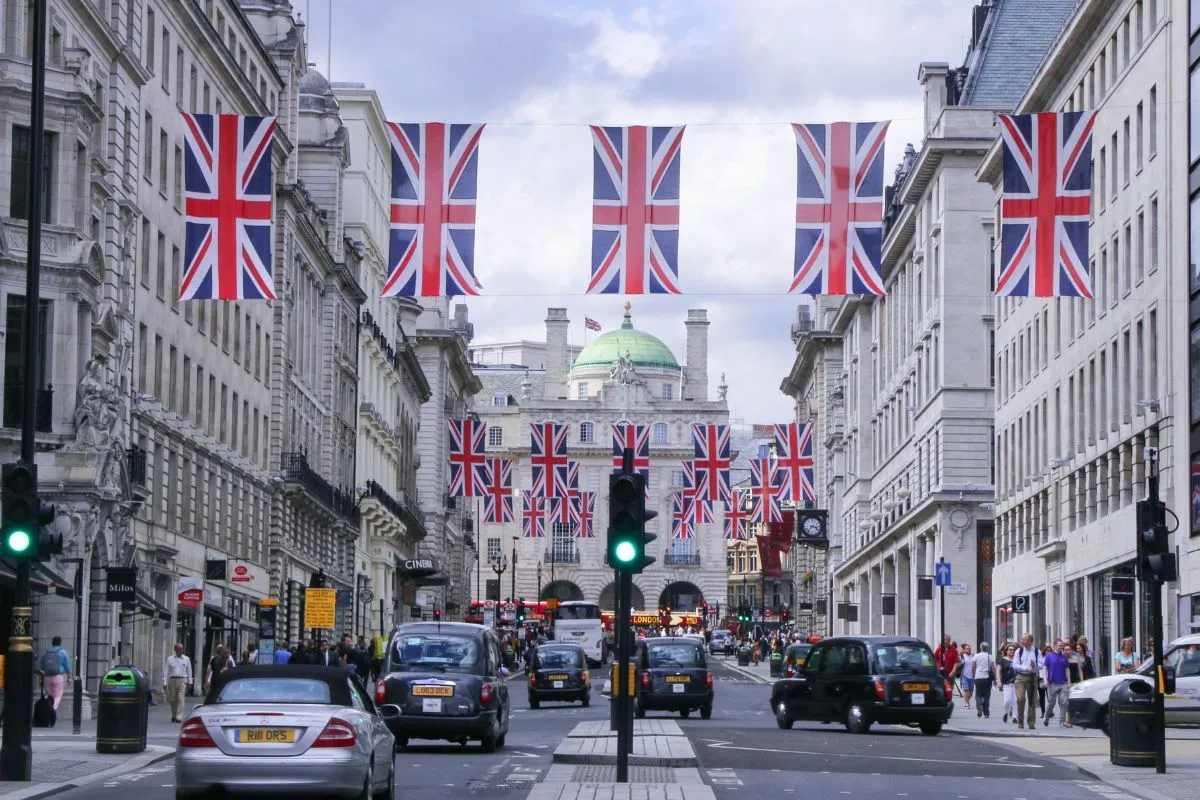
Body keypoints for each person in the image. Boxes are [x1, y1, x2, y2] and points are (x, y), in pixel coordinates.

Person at [1012, 633, 1042, 730]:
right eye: (1021, 639)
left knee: (1032, 700)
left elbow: (1041, 664)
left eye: (1024, 640)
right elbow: (1015, 665)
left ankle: (1031, 722)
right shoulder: (1019, 651)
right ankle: (1020, 720)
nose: (1021, 641)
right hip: (1020, 677)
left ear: (1030, 641)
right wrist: (1026, 668)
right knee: (1020, 699)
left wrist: (1035, 666)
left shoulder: (1037, 651)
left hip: (1032, 677)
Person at [38, 636, 72, 712]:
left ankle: (47, 709)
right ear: (60, 643)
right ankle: (52, 710)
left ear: (52, 643)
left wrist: (40, 680)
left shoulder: (45, 653)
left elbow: (41, 668)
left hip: (47, 678)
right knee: (57, 696)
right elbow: (67, 667)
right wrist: (69, 678)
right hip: (58, 677)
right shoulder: (63, 652)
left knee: (49, 696)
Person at [163, 643, 194, 723]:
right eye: (179, 649)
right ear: (175, 650)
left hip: (182, 680)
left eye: (181, 649)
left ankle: (179, 717)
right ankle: (174, 715)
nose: (180, 651)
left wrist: (190, 682)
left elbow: (189, 671)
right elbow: (166, 671)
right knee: (172, 699)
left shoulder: (186, 659)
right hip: (172, 680)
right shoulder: (170, 659)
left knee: (180, 698)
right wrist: (164, 682)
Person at [994, 643, 1018, 724]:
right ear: (1006, 651)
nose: (1012, 651)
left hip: (1017, 683)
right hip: (1006, 683)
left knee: (1015, 700)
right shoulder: (1002, 660)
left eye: (1013, 650)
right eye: (1010, 650)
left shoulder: (1017, 659)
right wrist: (998, 681)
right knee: (1007, 700)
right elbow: (998, 670)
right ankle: (1006, 712)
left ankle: (1015, 717)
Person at [971, 642, 994, 719]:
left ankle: (979, 706)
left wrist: (973, 675)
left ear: (980, 648)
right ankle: (986, 713)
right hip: (987, 678)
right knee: (987, 695)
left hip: (978, 677)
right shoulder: (990, 656)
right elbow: (993, 668)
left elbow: (973, 666)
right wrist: (996, 678)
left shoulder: (976, 656)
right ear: (987, 648)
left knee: (978, 695)